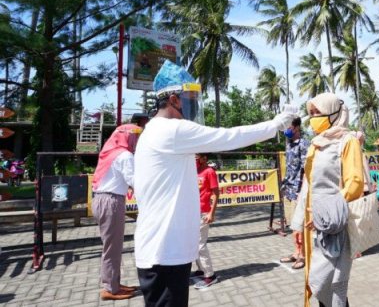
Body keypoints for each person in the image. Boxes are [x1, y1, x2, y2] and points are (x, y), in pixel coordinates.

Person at [133, 60, 297, 307]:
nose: (193, 104)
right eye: (189, 98)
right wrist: (276, 124)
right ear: (175, 100)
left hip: (162, 250)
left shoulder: (155, 131)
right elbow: (229, 137)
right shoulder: (171, 131)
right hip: (164, 253)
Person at [291, 92, 364, 307]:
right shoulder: (316, 143)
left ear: (334, 113)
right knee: (321, 284)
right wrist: (299, 217)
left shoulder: (347, 141)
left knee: (331, 283)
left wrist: (325, 214)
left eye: (317, 113)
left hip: (333, 222)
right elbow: (309, 182)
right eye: (310, 113)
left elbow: (355, 183)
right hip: (312, 223)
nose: (313, 118)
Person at [92, 124, 142, 301]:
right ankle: (110, 288)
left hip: (103, 199)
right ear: (127, 137)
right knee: (112, 246)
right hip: (111, 201)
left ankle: (114, 282)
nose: (136, 140)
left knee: (112, 245)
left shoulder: (112, 151)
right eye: (135, 136)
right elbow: (135, 181)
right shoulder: (125, 155)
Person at [279, 117, 309, 270]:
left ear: (297, 127)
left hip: (298, 189)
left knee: (300, 225)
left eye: (289, 126)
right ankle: (296, 252)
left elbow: (306, 169)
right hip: (288, 189)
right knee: (292, 224)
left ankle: (303, 255)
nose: (287, 130)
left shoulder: (303, 144)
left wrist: (302, 191)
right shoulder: (289, 144)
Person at [191, 153, 220, 289]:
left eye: (196, 158)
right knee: (193, 243)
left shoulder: (209, 172)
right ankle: (201, 269)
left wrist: (211, 213)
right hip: (192, 212)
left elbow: (215, 193)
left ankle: (210, 275)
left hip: (204, 212)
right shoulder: (193, 170)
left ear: (204, 158)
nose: (194, 160)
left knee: (200, 244)